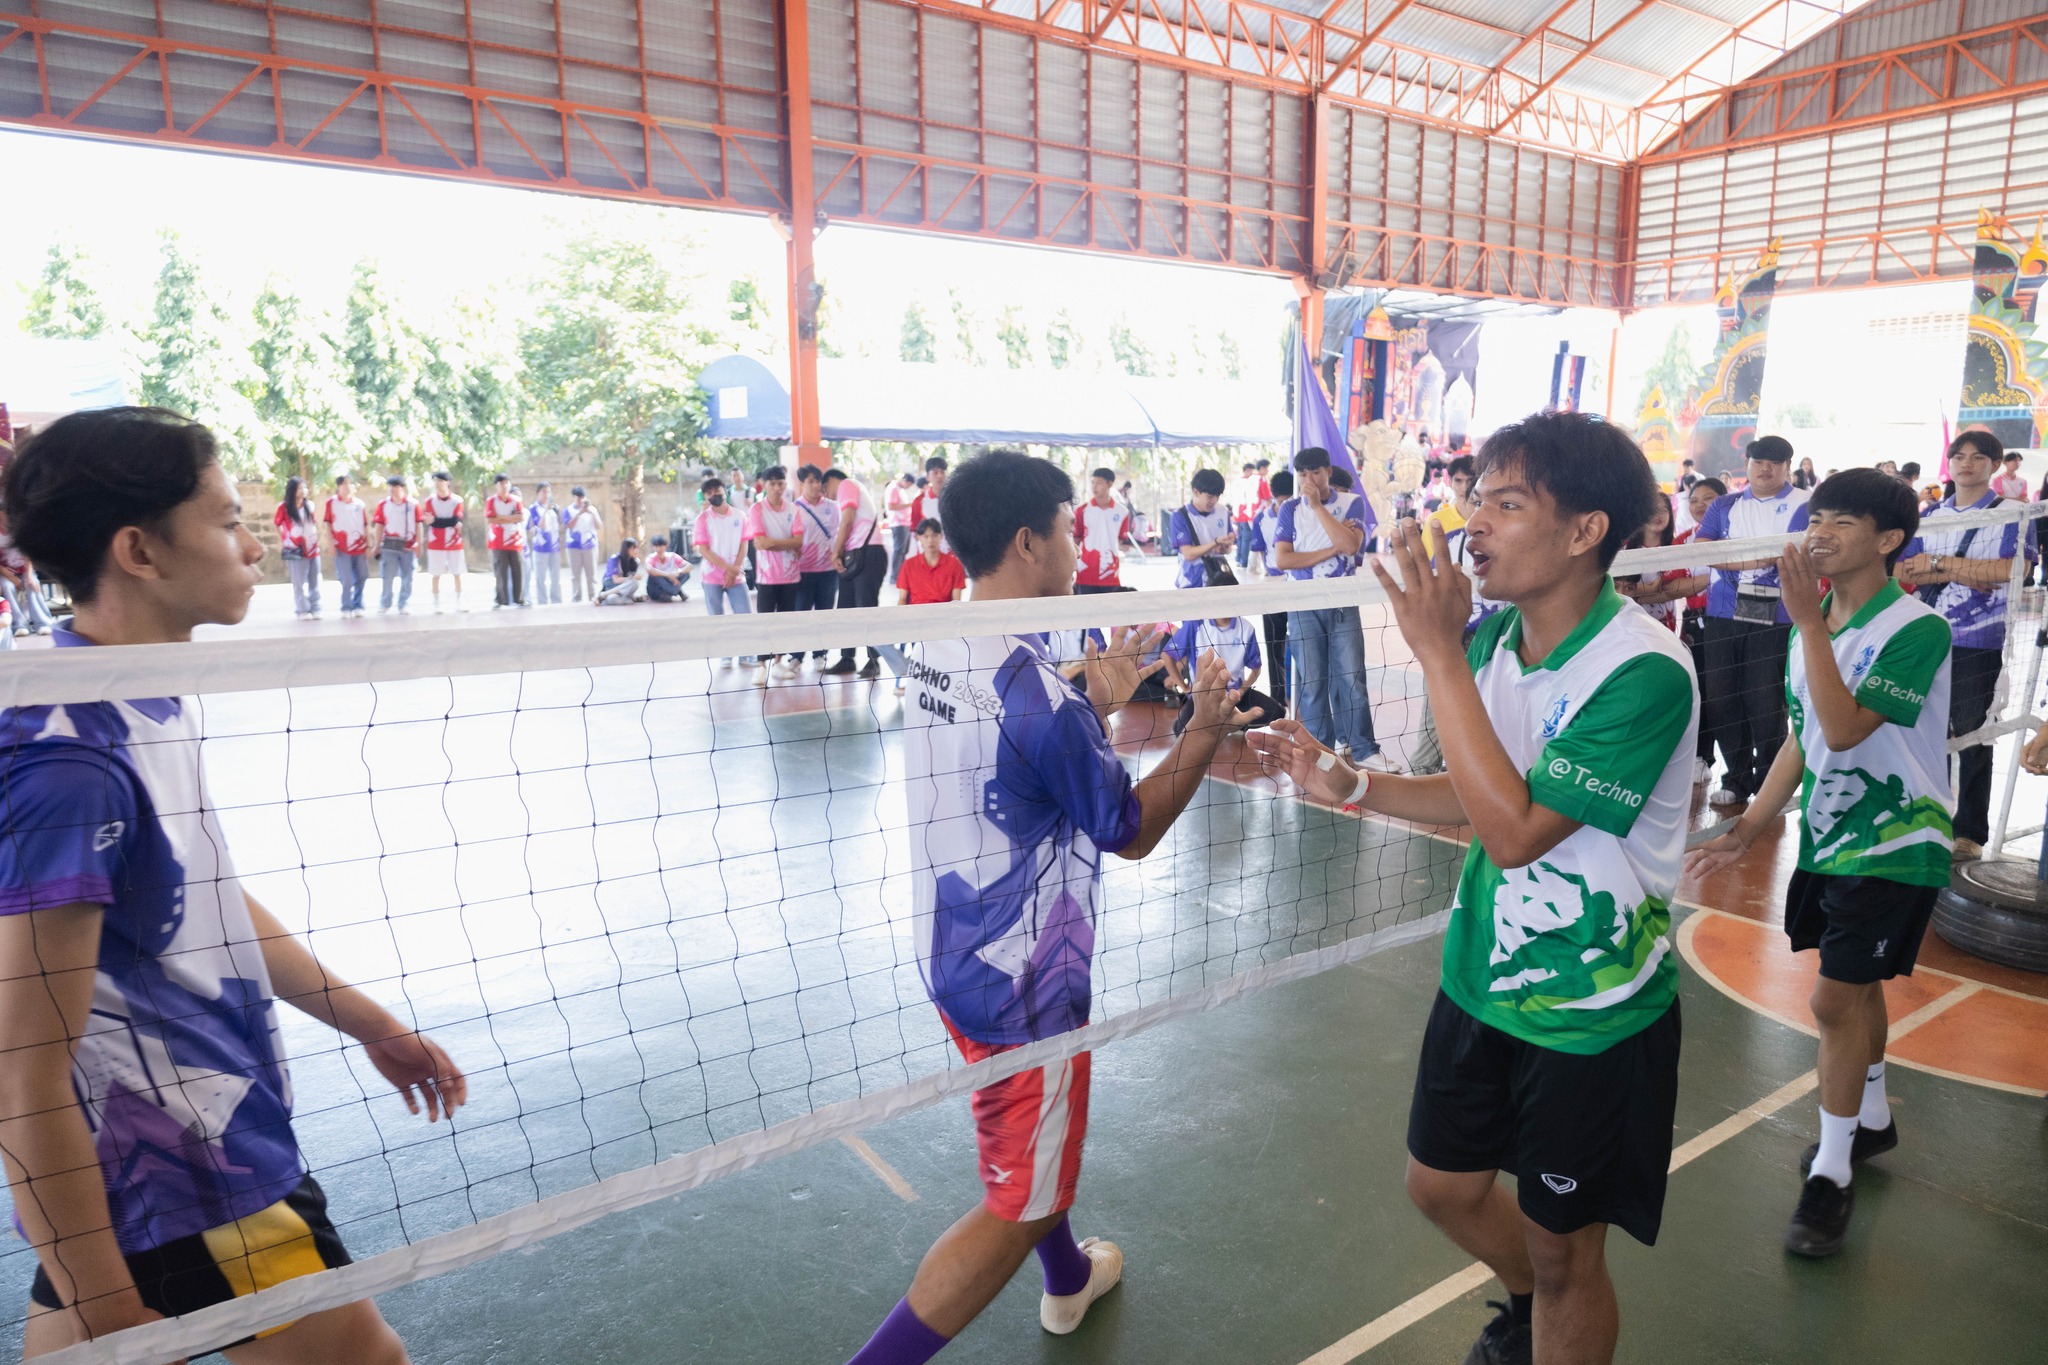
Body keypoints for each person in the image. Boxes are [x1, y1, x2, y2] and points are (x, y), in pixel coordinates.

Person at [0, 407, 467, 1362]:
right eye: (224, 520)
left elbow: (196, 896)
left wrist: (369, 1020)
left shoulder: (122, 687)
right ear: (140, 550)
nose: (254, 545)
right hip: (196, 1166)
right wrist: (111, 1311)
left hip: (151, 1160)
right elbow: (22, 1063)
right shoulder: (71, 757)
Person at [1252, 410, 1694, 1365]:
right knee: (1440, 1185)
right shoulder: (1495, 645)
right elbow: (1475, 794)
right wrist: (1356, 783)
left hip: (1591, 1012)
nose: (1473, 524)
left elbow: (1518, 830)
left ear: (1586, 532)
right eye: (1474, 498)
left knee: (1567, 1247)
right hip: (1480, 978)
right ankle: (1533, 1300)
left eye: (1506, 502)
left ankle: (1551, 1299)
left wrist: (1437, 654)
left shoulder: (1644, 671)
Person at [843, 448, 1250, 1365]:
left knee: (1033, 1148)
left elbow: (1020, 771)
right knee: (1015, 1204)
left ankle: (1070, 1283)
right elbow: (1128, 826)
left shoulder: (937, 636)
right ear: (1030, 540)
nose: (1080, 543)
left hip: (952, 950)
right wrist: (1204, 731)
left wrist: (1088, 699)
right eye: (1069, 527)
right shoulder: (1036, 689)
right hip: (1027, 985)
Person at [1687, 469, 1949, 1259]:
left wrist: (1806, 627)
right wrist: (1753, 823)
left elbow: (1842, 728)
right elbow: (1803, 735)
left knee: (1833, 1000)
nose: (1820, 531)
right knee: (1855, 987)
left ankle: (1830, 1174)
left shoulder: (1914, 628)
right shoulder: (1823, 624)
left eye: (1842, 520)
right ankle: (1870, 1118)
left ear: (1889, 540)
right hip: (1831, 838)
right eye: (1817, 517)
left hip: (1898, 844)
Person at [1896, 430, 2031, 861]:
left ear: (1994, 465)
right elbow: (1904, 569)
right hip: (1926, 635)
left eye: (1977, 457)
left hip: (1980, 640)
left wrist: (1939, 564)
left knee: (1974, 734)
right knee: (1918, 730)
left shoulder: (2013, 512)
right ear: (1948, 463)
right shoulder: (1928, 514)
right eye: (1959, 456)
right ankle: (1923, 816)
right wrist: (1966, 571)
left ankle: (1969, 830)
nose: (1966, 464)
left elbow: (2014, 569)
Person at [1694, 435, 1810, 806]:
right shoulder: (1724, 505)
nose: (1766, 468)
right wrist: (1752, 561)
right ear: (1747, 463)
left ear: (1787, 467)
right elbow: (1701, 549)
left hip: (1776, 616)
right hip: (1722, 614)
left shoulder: (1805, 504)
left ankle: (1771, 784)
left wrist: (1733, 558)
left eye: (1775, 462)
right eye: (1759, 460)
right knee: (1722, 699)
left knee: (1765, 701)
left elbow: (1799, 556)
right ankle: (1738, 778)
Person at [1275, 446, 1396, 772]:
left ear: (1328, 472)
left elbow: (1350, 545)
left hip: (1342, 603)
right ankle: (1321, 753)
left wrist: (1317, 507)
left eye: (1315, 472)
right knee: (1312, 684)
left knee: (1352, 678)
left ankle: (1365, 748)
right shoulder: (1288, 509)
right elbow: (1283, 559)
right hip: (1302, 605)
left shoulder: (1351, 503)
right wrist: (1331, 549)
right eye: (1302, 474)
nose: (1308, 480)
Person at [744, 464, 805, 685]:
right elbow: (759, 543)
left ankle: (778, 661)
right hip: (767, 577)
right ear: (764, 485)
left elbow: (799, 541)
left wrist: (775, 543)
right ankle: (761, 665)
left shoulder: (794, 510)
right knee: (765, 622)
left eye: (781, 483)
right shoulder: (757, 510)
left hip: (791, 576)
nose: (777, 488)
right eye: (773, 484)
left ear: (785, 484)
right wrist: (788, 544)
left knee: (785, 622)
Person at [825, 467, 889, 678]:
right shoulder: (851, 488)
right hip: (856, 556)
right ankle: (847, 658)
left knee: (866, 609)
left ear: (832, 480)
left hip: (869, 554)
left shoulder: (846, 485)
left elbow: (848, 520)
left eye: (825, 488)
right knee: (846, 609)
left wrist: (836, 552)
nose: (826, 494)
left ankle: (873, 660)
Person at [1244, 468, 1294, 707]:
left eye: (1289, 501)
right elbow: (1257, 554)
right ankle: (1278, 697)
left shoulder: (1300, 514)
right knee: (1274, 644)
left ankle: (1302, 696)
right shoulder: (1261, 519)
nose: (1286, 505)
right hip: (1272, 586)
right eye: (1282, 501)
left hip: (1297, 585)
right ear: (1274, 497)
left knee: (1299, 643)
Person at [693, 477, 755, 670]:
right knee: (717, 617)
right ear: (705, 496)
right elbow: (704, 550)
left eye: (717, 490)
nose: (714, 495)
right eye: (709, 493)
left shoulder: (740, 516)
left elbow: (744, 544)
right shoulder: (703, 519)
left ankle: (747, 654)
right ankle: (725, 655)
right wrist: (729, 569)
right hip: (711, 577)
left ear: (724, 490)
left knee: (744, 615)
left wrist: (734, 570)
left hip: (737, 577)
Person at [1614, 493, 1684, 632]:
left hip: (1665, 624)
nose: (1658, 514)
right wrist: (1651, 589)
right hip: (1630, 622)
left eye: (1664, 510)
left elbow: (1675, 589)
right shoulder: (1624, 549)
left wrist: (1645, 590)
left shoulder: (1677, 549)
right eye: (1651, 509)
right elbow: (1616, 588)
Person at [1169, 468, 1235, 589]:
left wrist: (1225, 546)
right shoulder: (1180, 516)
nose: (1214, 501)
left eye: (1217, 496)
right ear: (1196, 492)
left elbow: (1228, 549)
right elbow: (1188, 554)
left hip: (1218, 580)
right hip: (1191, 582)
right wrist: (1215, 543)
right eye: (1209, 496)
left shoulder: (1223, 511)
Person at [1073, 466, 1132, 596]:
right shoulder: (1081, 510)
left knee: (1110, 612)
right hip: (1085, 571)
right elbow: (1076, 539)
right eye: (1093, 482)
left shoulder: (1122, 512)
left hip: (1110, 571)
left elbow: (1120, 540)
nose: (1094, 486)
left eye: (1099, 483)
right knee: (1086, 611)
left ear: (1109, 484)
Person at [322, 472, 370, 618]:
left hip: (360, 547)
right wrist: (330, 543)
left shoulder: (359, 504)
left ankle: (358, 604)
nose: (347, 486)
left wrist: (368, 545)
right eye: (344, 484)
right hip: (341, 547)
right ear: (338, 487)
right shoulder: (332, 503)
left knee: (362, 576)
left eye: (350, 483)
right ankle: (346, 606)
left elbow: (366, 525)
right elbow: (328, 524)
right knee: (347, 578)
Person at [274, 475, 322, 620]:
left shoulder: (310, 505)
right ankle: (302, 609)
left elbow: (312, 524)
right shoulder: (283, 507)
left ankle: (316, 607)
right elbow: (277, 524)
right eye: (300, 488)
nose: (304, 490)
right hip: (295, 549)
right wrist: (284, 540)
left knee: (315, 579)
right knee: (298, 581)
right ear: (292, 490)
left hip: (313, 548)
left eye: (305, 487)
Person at [372, 474, 419, 613]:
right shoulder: (383, 505)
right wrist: (376, 544)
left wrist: (420, 543)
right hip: (389, 545)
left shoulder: (412, 504)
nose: (392, 489)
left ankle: (404, 603)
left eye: (395, 486)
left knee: (408, 576)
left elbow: (418, 524)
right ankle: (385, 603)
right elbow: (379, 525)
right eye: (390, 487)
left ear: (403, 488)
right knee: (387, 575)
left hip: (408, 545)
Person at [422, 470, 467, 612]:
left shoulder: (457, 500)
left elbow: (456, 519)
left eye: (440, 481)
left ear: (447, 482)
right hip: (436, 542)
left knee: (457, 572)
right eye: (435, 481)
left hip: (454, 541)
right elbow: (431, 522)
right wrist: (445, 522)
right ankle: (436, 603)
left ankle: (460, 601)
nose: (437, 484)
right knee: (436, 573)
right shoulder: (429, 501)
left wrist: (439, 521)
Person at [898, 519, 965, 606]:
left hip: (944, 613)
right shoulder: (908, 565)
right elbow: (902, 599)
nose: (930, 540)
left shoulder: (954, 564)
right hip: (916, 614)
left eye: (935, 535)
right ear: (918, 537)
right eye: (926, 536)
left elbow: (957, 601)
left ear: (941, 536)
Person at [484, 473, 526, 610]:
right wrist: (510, 517)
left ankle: (519, 599)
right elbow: (491, 519)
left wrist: (501, 517)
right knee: (500, 571)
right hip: (498, 541)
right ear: (496, 486)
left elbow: (519, 517)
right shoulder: (491, 501)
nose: (504, 486)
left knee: (517, 570)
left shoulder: (516, 500)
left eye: (506, 483)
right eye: (501, 483)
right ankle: (502, 599)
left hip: (514, 541)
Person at [527, 481, 564, 605]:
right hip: (540, 547)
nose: (546, 495)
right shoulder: (533, 508)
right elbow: (540, 525)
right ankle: (542, 601)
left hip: (555, 547)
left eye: (548, 492)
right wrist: (545, 511)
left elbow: (560, 526)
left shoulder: (555, 508)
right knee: (540, 577)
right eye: (543, 492)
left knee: (555, 577)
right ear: (538, 493)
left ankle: (556, 600)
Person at [565, 486, 603, 602]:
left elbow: (599, 526)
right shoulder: (569, 510)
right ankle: (576, 598)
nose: (580, 500)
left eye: (582, 497)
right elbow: (569, 525)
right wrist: (579, 513)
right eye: (578, 498)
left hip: (590, 545)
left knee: (591, 575)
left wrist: (591, 513)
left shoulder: (593, 510)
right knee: (575, 575)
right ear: (574, 498)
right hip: (573, 546)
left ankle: (593, 596)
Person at [1230, 461, 1265, 568]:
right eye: (1251, 470)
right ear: (1247, 470)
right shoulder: (1250, 482)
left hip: (1238, 514)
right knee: (1247, 538)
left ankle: (1239, 559)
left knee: (1241, 537)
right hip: (1245, 514)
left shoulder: (1237, 482)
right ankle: (1244, 561)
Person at [910, 456, 949, 550]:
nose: (939, 476)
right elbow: (915, 529)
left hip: (952, 554)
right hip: (928, 554)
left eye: (942, 472)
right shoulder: (919, 501)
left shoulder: (954, 499)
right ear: (928, 477)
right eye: (935, 472)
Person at [886, 471, 919, 583]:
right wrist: (910, 505)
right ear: (905, 480)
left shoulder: (900, 490)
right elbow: (891, 506)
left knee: (903, 551)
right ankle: (895, 577)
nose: (908, 487)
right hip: (898, 523)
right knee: (899, 550)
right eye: (908, 484)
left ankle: (900, 575)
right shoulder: (894, 488)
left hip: (905, 523)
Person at [596, 536, 644, 605]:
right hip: (611, 585)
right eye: (633, 548)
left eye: (637, 548)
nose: (636, 551)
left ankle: (604, 597)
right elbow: (616, 580)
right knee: (632, 582)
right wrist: (632, 577)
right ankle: (605, 595)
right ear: (626, 549)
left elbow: (628, 582)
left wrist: (634, 577)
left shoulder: (636, 561)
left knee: (634, 583)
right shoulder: (615, 559)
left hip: (622, 588)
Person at [643, 534, 690, 603]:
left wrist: (679, 572)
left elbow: (689, 566)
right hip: (656, 590)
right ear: (653, 547)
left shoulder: (672, 556)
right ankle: (677, 591)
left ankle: (673, 590)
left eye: (661, 546)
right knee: (655, 575)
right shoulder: (651, 558)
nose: (659, 549)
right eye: (656, 546)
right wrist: (668, 575)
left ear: (666, 546)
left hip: (669, 582)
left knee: (685, 574)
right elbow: (649, 569)